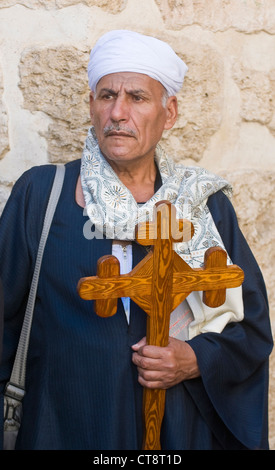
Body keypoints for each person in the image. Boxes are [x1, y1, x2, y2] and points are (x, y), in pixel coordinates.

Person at [0, 30, 273, 450]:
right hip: (64, 426)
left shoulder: (201, 205)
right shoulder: (42, 195)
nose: (118, 112)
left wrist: (195, 359)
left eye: (138, 98)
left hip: (176, 433)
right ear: (91, 105)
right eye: (107, 95)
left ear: (171, 112)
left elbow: (251, 330)